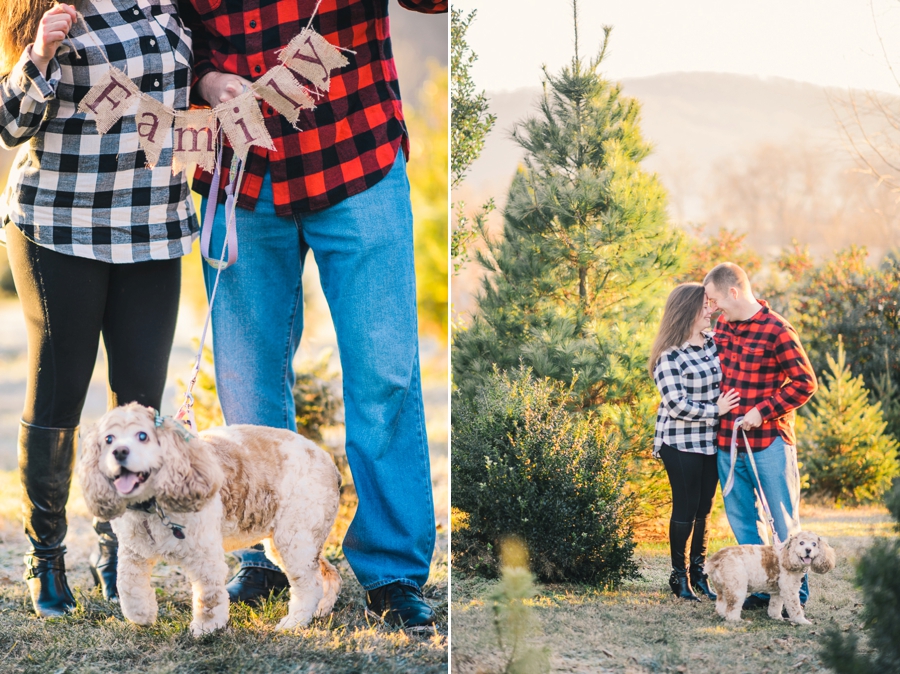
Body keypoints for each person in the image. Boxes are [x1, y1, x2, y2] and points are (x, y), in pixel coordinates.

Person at [178, 0, 446, 629]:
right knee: (247, 379)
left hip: (355, 157)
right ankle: (264, 558)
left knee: (387, 374)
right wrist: (204, 81)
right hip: (243, 176)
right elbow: (173, 33)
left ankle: (393, 572)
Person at [0, 0, 197, 616]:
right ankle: (46, 553)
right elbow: (8, 124)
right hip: (61, 225)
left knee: (140, 401)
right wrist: (39, 57)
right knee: (59, 394)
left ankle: (119, 549)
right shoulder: (45, 6)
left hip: (153, 227)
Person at [703, 262, 817, 609]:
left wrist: (762, 411)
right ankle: (760, 589)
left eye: (713, 299)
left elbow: (805, 383)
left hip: (769, 444)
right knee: (742, 520)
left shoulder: (777, 330)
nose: (711, 307)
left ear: (733, 293)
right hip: (729, 444)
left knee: (783, 523)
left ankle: (795, 593)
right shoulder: (723, 326)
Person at [650, 283, 740, 601]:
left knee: (704, 509)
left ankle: (699, 573)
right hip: (680, 442)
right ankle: (679, 577)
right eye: (705, 305)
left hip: (711, 441)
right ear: (687, 310)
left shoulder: (712, 342)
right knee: (686, 509)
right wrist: (716, 409)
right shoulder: (669, 356)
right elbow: (676, 404)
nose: (710, 309)